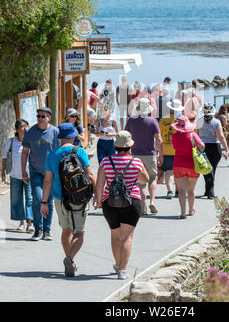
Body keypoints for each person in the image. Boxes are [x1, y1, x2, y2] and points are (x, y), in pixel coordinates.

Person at [41, 123, 96, 277]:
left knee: (66, 230)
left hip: (59, 198)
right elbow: (90, 175)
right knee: (79, 232)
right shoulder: (79, 151)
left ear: (60, 137)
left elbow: (47, 181)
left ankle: (69, 261)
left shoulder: (52, 155)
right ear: (73, 136)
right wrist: (98, 194)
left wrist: (44, 202)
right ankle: (69, 258)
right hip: (80, 196)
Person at [94, 131, 149, 280]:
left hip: (109, 202)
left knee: (115, 235)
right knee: (127, 238)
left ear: (115, 145)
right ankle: (123, 271)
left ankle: (118, 264)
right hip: (132, 202)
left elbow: (100, 184)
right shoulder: (136, 162)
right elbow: (145, 179)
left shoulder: (105, 161)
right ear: (130, 145)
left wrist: (99, 201)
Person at [21, 107, 59, 241]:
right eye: (38, 116)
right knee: (37, 198)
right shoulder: (30, 132)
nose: (40, 118)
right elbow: (25, 152)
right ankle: (38, 229)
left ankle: (47, 230)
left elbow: (58, 152)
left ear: (49, 118)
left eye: (43, 116)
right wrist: (23, 171)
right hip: (35, 171)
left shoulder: (55, 132)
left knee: (48, 200)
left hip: (51, 172)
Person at [125, 98, 163, 215]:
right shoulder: (153, 121)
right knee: (152, 179)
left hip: (135, 155)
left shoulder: (131, 121)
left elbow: (126, 137)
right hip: (150, 154)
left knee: (140, 182)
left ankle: (143, 208)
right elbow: (159, 139)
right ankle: (152, 201)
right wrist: (160, 154)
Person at [2, 119, 34, 233]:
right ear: (17, 129)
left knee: (30, 199)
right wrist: (3, 172)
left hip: (29, 175)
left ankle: (30, 223)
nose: (25, 128)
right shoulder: (11, 142)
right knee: (17, 200)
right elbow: (4, 157)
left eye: (26, 126)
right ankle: (22, 222)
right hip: (15, 176)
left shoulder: (31, 142)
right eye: (22, 126)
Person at [171, 116, 205, 218]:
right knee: (191, 190)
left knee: (181, 191)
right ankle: (191, 210)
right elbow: (202, 146)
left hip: (178, 165)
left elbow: (174, 147)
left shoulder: (174, 136)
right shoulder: (192, 135)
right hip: (192, 165)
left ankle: (182, 213)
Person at [198, 103, 229, 199]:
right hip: (215, 147)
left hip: (203, 147)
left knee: (206, 170)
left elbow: (195, 136)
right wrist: (227, 149)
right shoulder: (217, 122)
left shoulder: (199, 122)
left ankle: (209, 191)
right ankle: (209, 191)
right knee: (212, 169)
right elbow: (221, 137)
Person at [159, 99, 184, 199]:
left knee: (168, 171)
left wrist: (158, 150)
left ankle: (170, 190)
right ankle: (178, 190)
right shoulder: (182, 120)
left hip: (165, 148)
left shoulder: (162, 120)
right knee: (178, 171)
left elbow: (159, 136)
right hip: (179, 149)